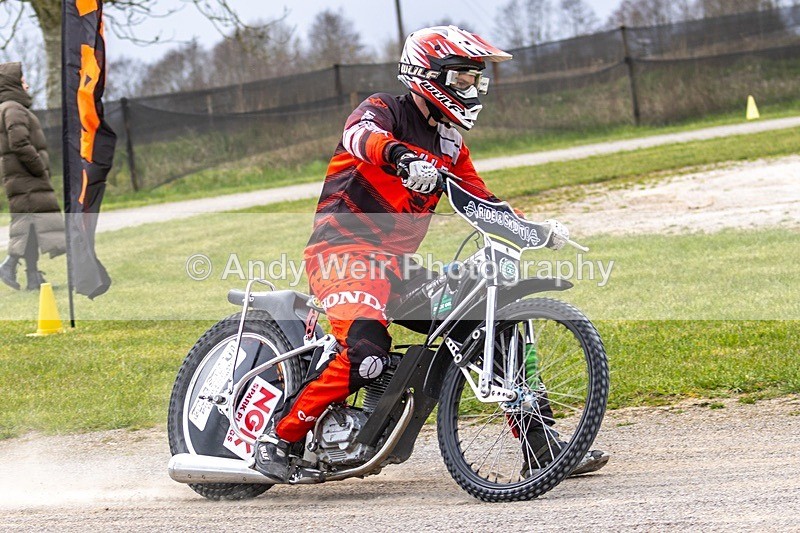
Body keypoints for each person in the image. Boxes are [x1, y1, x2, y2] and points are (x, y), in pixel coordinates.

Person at [254, 26, 608, 481]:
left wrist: (532, 228)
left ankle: (541, 448)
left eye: (476, 80)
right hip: (342, 255)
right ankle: (277, 439)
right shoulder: (386, 111)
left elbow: (479, 200)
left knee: (486, 326)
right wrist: (401, 158)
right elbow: (357, 136)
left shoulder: (450, 144)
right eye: (462, 78)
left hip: (397, 270)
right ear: (427, 74)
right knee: (367, 352)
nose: (472, 88)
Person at [0, 62, 65, 291]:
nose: (26, 84)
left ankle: (32, 277)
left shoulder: (12, 107)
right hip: (27, 178)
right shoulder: (13, 108)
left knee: (32, 226)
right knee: (28, 224)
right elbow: (18, 142)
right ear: (13, 83)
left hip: (24, 178)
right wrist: (37, 166)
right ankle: (9, 265)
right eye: (22, 80)